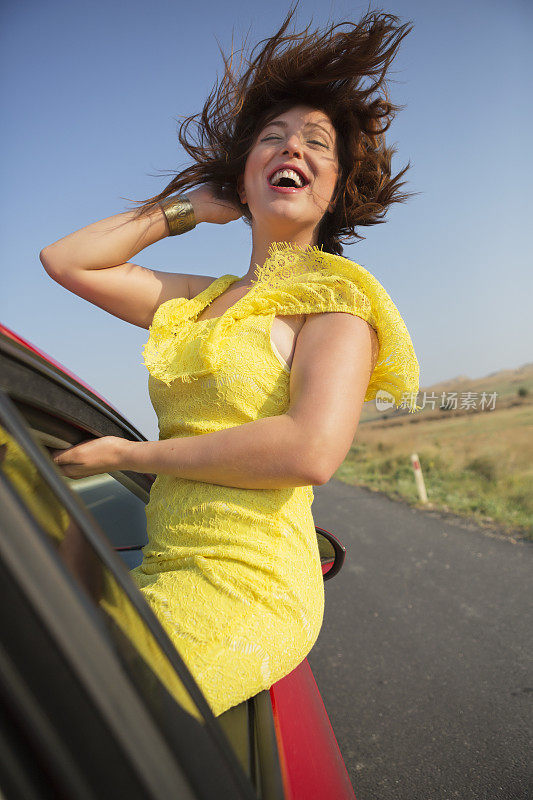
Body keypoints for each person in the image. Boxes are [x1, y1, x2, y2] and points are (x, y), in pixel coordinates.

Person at [41, 5, 421, 718]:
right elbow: (66, 261)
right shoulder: (197, 297)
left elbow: (309, 450)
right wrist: (183, 209)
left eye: (316, 144)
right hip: (163, 565)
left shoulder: (336, 306)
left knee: (80, 726)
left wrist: (133, 453)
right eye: (272, 141)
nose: (293, 150)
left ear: (335, 188)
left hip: (248, 583)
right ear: (241, 180)